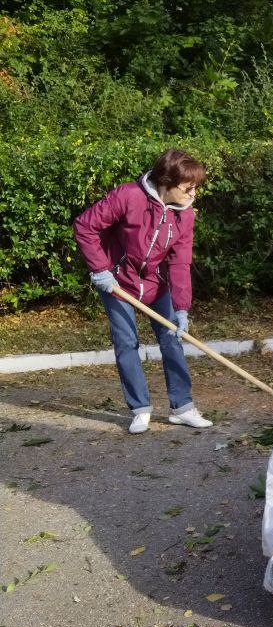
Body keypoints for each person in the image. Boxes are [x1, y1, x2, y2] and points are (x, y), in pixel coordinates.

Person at [73, 148, 213, 435]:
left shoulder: (185, 217)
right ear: (166, 182)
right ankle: (140, 409)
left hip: (156, 284)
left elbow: (180, 262)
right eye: (188, 188)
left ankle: (182, 407)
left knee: (173, 338)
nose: (193, 194)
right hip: (117, 282)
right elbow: (85, 226)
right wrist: (100, 269)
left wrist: (182, 306)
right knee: (127, 342)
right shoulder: (128, 196)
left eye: (196, 188)